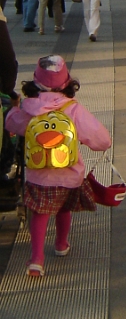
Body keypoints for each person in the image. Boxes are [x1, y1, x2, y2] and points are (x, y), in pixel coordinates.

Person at [5, 55, 111, 277]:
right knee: (63, 209)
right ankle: (61, 245)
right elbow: (102, 140)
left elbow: (11, 123)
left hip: (38, 176)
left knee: (40, 214)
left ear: (34, 82)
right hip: (68, 175)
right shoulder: (73, 109)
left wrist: (14, 110)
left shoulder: (29, 107)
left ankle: (36, 259)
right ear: (67, 84)